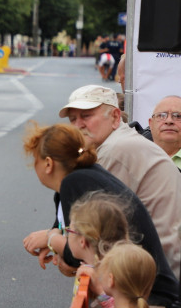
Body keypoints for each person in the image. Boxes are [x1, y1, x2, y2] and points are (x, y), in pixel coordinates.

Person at [21, 124, 179, 308]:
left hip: (143, 301)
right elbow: (75, 241)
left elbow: (74, 253)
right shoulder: (82, 177)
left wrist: (51, 239)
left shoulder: (74, 182)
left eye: (36, 160)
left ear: (48, 163)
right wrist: (56, 240)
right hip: (147, 295)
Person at [60, 85, 181, 282]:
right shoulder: (120, 142)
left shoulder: (116, 150)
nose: (78, 125)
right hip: (150, 270)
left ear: (116, 117)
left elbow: (93, 234)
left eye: (87, 116)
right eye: (73, 119)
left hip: (150, 281)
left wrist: (52, 241)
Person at [148, 95, 181, 170]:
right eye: (161, 116)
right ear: (151, 124)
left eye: (178, 116)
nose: (169, 121)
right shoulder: (134, 159)